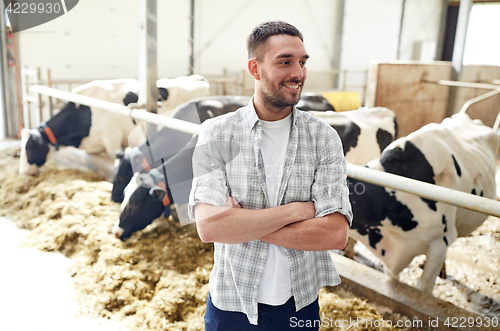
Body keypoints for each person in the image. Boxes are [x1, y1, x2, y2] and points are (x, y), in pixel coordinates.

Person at [188, 20, 352, 331]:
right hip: (231, 303)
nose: (299, 73)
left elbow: (335, 234)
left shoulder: (324, 138)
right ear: (255, 68)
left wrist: (240, 223)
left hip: (298, 304)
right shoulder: (217, 133)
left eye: (302, 62)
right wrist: (297, 212)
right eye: (285, 62)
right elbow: (209, 228)